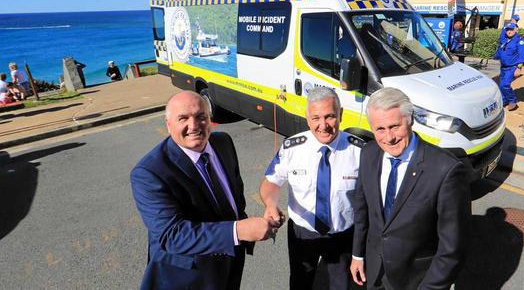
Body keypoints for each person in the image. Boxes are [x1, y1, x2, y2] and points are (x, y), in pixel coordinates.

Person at [130, 91, 275, 290]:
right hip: (189, 277)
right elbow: (171, 235)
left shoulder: (223, 142)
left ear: (210, 118)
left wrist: (257, 222)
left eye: (201, 116)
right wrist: (238, 230)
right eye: (183, 118)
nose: (194, 125)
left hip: (231, 261)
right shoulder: (149, 172)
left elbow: (235, 196)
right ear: (168, 124)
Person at [350, 87, 470, 290]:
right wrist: (357, 255)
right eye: (380, 129)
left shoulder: (446, 170)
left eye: (395, 126)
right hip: (374, 272)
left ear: (411, 120)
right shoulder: (368, 153)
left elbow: (452, 247)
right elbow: (362, 211)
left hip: (415, 281)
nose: (389, 138)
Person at [260, 87, 363, 290]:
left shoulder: (358, 150)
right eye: (315, 118)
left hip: (342, 235)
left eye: (330, 116)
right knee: (300, 282)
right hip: (303, 233)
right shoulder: (292, 148)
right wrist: (271, 204)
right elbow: (271, 182)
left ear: (341, 115)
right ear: (307, 118)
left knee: (340, 285)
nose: (323, 125)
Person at [495, 23, 524, 111]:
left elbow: (522, 54)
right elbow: (500, 50)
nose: (509, 31)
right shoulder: (505, 39)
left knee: (504, 85)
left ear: (516, 30)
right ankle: (504, 100)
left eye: (511, 29)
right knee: (501, 85)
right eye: (507, 29)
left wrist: (519, 68)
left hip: (512, 67)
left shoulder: (520, 40)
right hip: (503, 66)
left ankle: (512, 100)